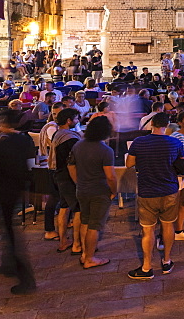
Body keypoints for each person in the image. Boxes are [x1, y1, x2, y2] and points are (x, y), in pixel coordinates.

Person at [126, 112, 184, 280]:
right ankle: (166, 261)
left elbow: (129, 164)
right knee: (168, 226)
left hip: (147, 191)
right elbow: (182, 162)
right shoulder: (175, 142)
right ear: (167, 125)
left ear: (152, 124)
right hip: (169, 190)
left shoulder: (139, 142)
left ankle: (147, 266)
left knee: (148, 230)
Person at [0, 108, 37, 293]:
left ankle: (26, 280)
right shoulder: (23, 139)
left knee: (10, 232)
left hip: (4, 190)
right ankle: (8, 264)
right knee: (7, 227)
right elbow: (29, 163)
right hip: (17, 187)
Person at [68, 115, 117, 268]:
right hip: (99, 191)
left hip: (82, 190)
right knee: (94, 226)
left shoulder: (78, 146)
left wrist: (78, 182)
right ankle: (90, 258)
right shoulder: (106, 151)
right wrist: (114, 191)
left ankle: (84, 254)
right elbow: (110, 176)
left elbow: (71, 166)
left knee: (85, 221)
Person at [49, 108, 83, 254]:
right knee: (78, 210)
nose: (77, 121)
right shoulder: (70, 138)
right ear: (69, 121)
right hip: (68, 177)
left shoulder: (58, 134)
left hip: (58, 175)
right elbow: (74, 161)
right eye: (75, 119)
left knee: (64, 208)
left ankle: (63, 241)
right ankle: (77, 244)